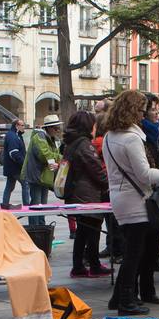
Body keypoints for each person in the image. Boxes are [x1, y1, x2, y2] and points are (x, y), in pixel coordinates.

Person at [103, 91, 159, 315]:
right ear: (133, 111)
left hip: (119, 197)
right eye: (142, 110)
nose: (143, 115)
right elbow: (144, 174)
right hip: (135, 200)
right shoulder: (132, 138)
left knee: (131, 251)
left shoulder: (109, 136)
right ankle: (126, 302)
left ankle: (117, 299)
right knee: (134, 254)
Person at [60, 111, 109, 279]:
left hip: (77, 193)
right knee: (93, 229)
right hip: (87, 195)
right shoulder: (84, 144)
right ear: (87, 126)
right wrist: (110, 183)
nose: (95, 128)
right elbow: (96, 170)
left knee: (83, 231)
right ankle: (93, 265)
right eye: (93, 125)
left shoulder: (71, 143)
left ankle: (79, 266)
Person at [23, 114, 62, 226]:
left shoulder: (52, 139)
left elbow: (54, 155)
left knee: (42, 205)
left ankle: (42, 228)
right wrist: (58, 158)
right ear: (49, 128)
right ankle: (35, 229)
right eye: (55, 128)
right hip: (37, 176)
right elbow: (45, 155)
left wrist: (56, 157)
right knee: (36, 204)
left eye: (58, 127)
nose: (58, 130)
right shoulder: (39, 137)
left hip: (43, 176)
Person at [1, 117, 27, 209]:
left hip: (11, 167)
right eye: (23, 125)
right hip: (16, 168)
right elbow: (14, 153)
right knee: (25, 184)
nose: (24, 127)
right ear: (17, 126)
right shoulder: (13, 136)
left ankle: (4, 204)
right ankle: (27, 206)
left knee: (9, 186)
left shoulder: (15, 135)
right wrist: (24, 163)